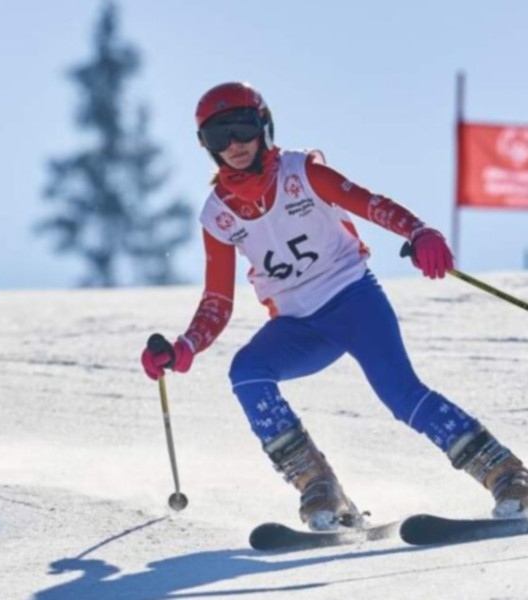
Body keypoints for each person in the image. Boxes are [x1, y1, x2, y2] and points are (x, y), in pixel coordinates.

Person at [140, 81, 528, 531]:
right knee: (247, 372)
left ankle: (507, 474)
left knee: (401, 395)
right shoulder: (217, 215)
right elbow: (218, 300)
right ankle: (319, 487)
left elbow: (370, 204)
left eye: (243, 129)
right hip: (298, 327)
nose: (234, 146)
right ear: (205, 146)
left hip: (354, 301)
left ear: (264, 127)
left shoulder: (302, 172)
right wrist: (184, 346)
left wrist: (418, 232)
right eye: (217, 137)